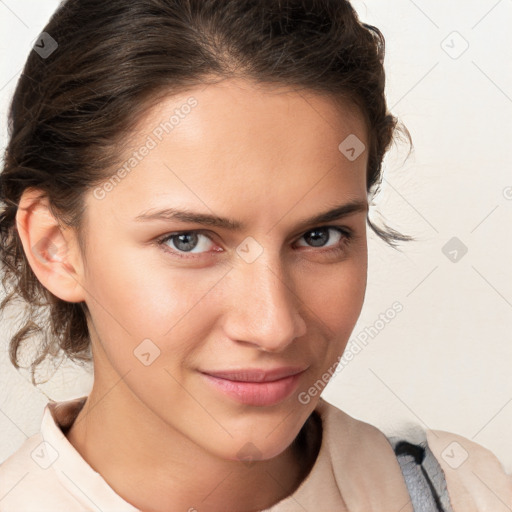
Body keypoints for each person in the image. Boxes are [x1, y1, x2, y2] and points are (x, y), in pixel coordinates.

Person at [0, 0, 510, 511]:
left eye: (320, 236)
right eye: (189, 240)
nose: (274, 327)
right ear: (55, 247)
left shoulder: (469, 494)